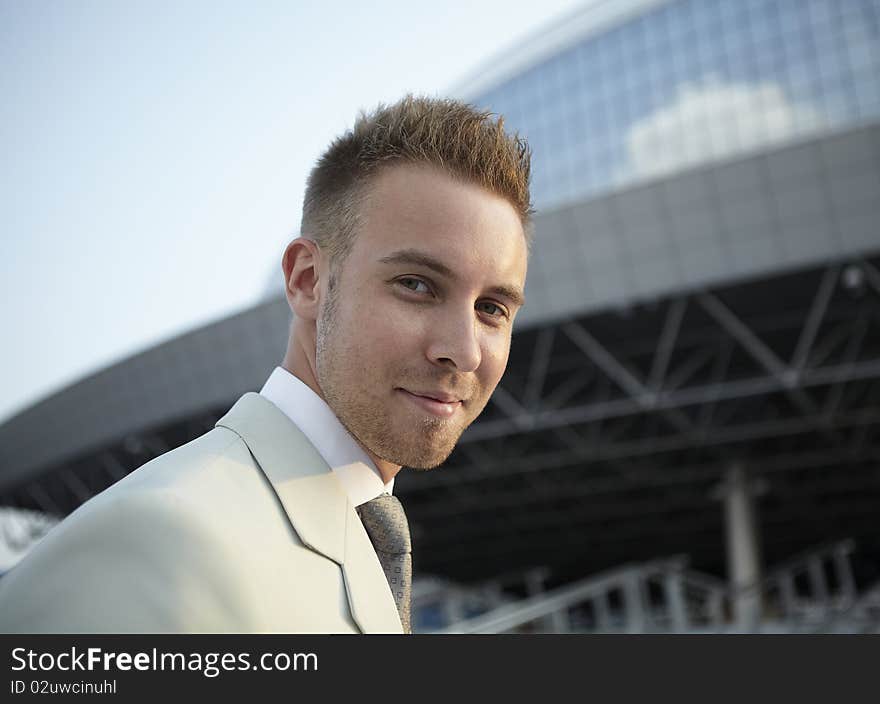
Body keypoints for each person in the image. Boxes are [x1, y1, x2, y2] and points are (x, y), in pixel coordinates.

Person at [0, 95, 532, 633]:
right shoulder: (161, 539)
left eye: (492, 308)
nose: (464, 351)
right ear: (307, 280)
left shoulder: (351, 536)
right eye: (417, 285)